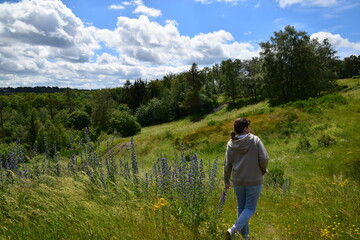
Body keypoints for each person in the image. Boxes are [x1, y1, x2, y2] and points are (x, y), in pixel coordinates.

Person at [224, 118, 269, 240]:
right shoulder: (255, 140)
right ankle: (233, 230)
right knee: (250, 208)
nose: (250, 129)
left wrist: (226, 181)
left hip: (238, 181)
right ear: (245, 128)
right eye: (249, 127)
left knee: (241, 208)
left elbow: (227, 165)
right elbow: (264, 158)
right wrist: (263, 170)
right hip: (254, 180)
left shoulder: (230, 144)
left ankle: (246, 237)